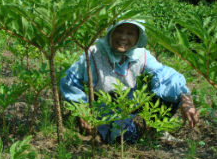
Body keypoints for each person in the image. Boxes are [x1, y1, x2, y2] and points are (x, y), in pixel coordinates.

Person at [60, 20, 199, 143]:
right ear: (110, 33)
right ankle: (123, 130)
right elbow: (69, 81)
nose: (123, 37)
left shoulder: (140, 54)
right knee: (125, 137)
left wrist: (186, 99)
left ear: (138, 37)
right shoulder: (94, 53)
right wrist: (82, 112)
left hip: (130, 102)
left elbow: (166, 75)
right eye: (119, 31)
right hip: (104, 106)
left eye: (130, 33)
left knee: (169, 93)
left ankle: (155, 131)